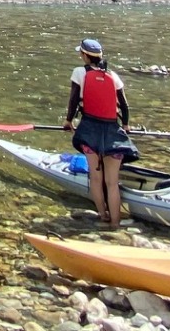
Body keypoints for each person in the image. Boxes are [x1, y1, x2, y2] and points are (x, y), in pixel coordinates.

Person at [62, 37, 135, 229]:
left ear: (85, 55)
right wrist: (126, 125)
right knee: (112, 182)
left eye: (81, 53)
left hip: (89, 130)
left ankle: (102, 215)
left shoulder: (79, 72)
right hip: (113, 131)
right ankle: (115, 223)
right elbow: (125, 105)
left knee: (95, 177)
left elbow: (73, 99)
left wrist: (68, 121)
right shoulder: (113, 75)